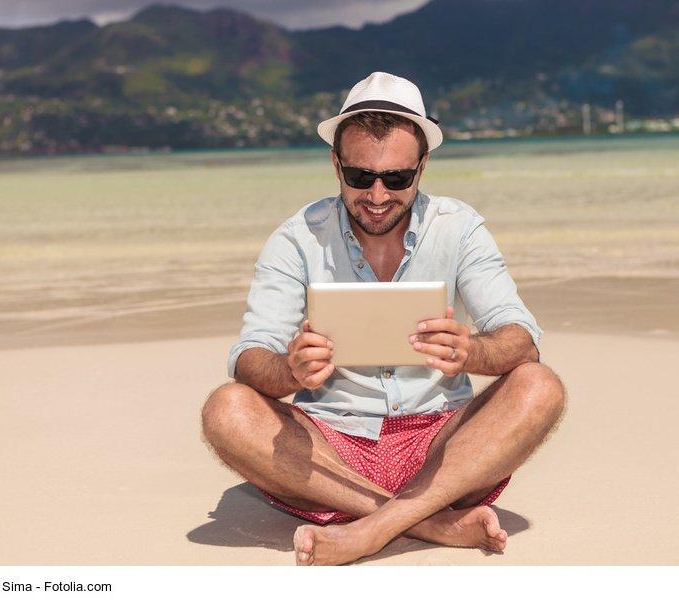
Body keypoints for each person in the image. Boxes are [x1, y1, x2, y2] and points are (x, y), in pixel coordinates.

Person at [201, 72, 566, 565]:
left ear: (422, 166)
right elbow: (249, 358)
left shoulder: (459, 228)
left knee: (540, 385)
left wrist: (472, 351)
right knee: (226, 408)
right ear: (336, 164)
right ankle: (428, 522)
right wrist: (289, 371)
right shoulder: (295, 238)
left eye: (397, 178)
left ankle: (374, 528)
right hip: (330, 449)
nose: (377, 195)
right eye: (359, 176)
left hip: (446, 447)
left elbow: (521, 341)